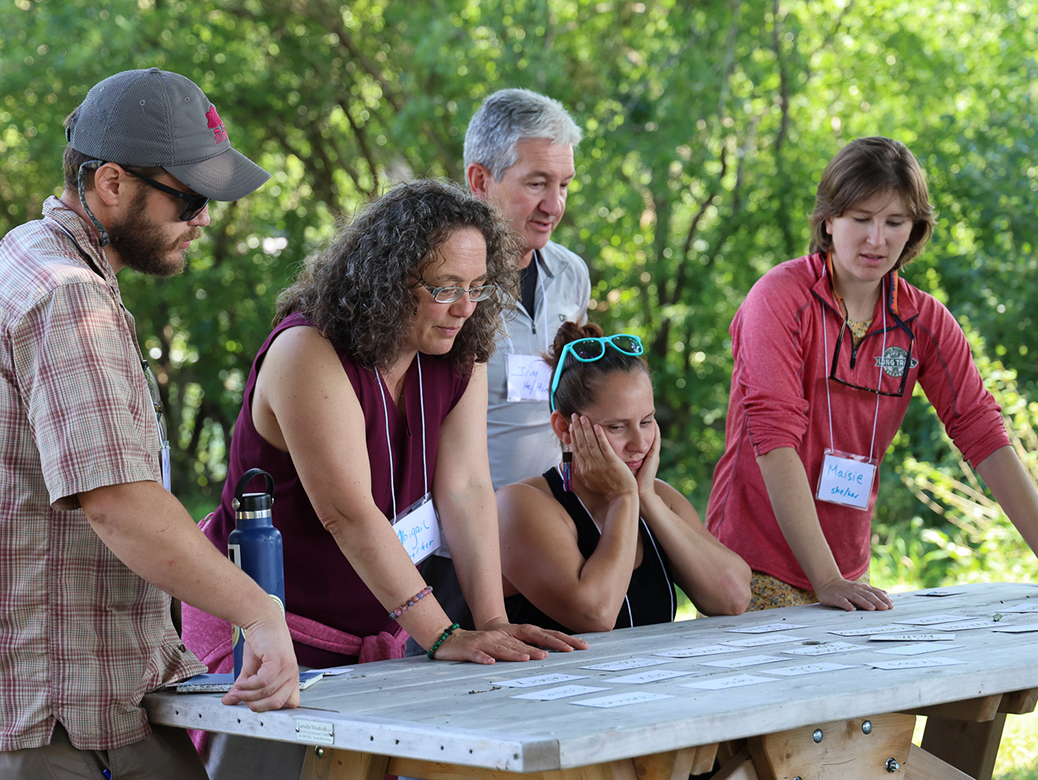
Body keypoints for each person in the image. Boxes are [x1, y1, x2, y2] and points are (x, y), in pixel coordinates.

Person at [0, 67, 301, 779]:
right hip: (69, 712)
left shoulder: (18, 258)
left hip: (43, 694)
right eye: (188, 196)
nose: (203, 217)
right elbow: (119, 503)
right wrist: (260, 612)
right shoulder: (67, 296)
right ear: (110, 183)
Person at [178, 180, 586, 776]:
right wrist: (445, 636)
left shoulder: (458, 349)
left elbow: (467, 487)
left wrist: (491, 623)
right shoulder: (307, 351)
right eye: (443, 288)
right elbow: (347, 513)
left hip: (380, 638)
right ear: (385, 280)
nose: (464, 308)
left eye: (478, 288)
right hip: (270, 637)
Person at [707, 136, 1038, 612]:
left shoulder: (924, 321)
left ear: (914, 230)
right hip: (749, 570)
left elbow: (982, 431)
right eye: (861, 219)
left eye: (894, 222)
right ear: (829, 221)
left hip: (846, 576)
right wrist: (827, 581)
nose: (877, 239)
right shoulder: (779, 298)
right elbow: (774, 441)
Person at [496, 321, 752, 632]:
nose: (640, 444)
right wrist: (624, 498)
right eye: (617, 427)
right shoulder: (519, 505)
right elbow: (596, 615)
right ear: (565, 429)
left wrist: (646, 499)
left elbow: (734, 598)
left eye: (646, 421)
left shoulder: (659, 497)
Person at [465, 88, 594, 490]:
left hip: (552, 523)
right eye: (538, 184)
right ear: (481, 181)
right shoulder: (443, 288)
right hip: (461, 540)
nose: (555, 206)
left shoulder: (572, 274)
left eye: (565, 185)